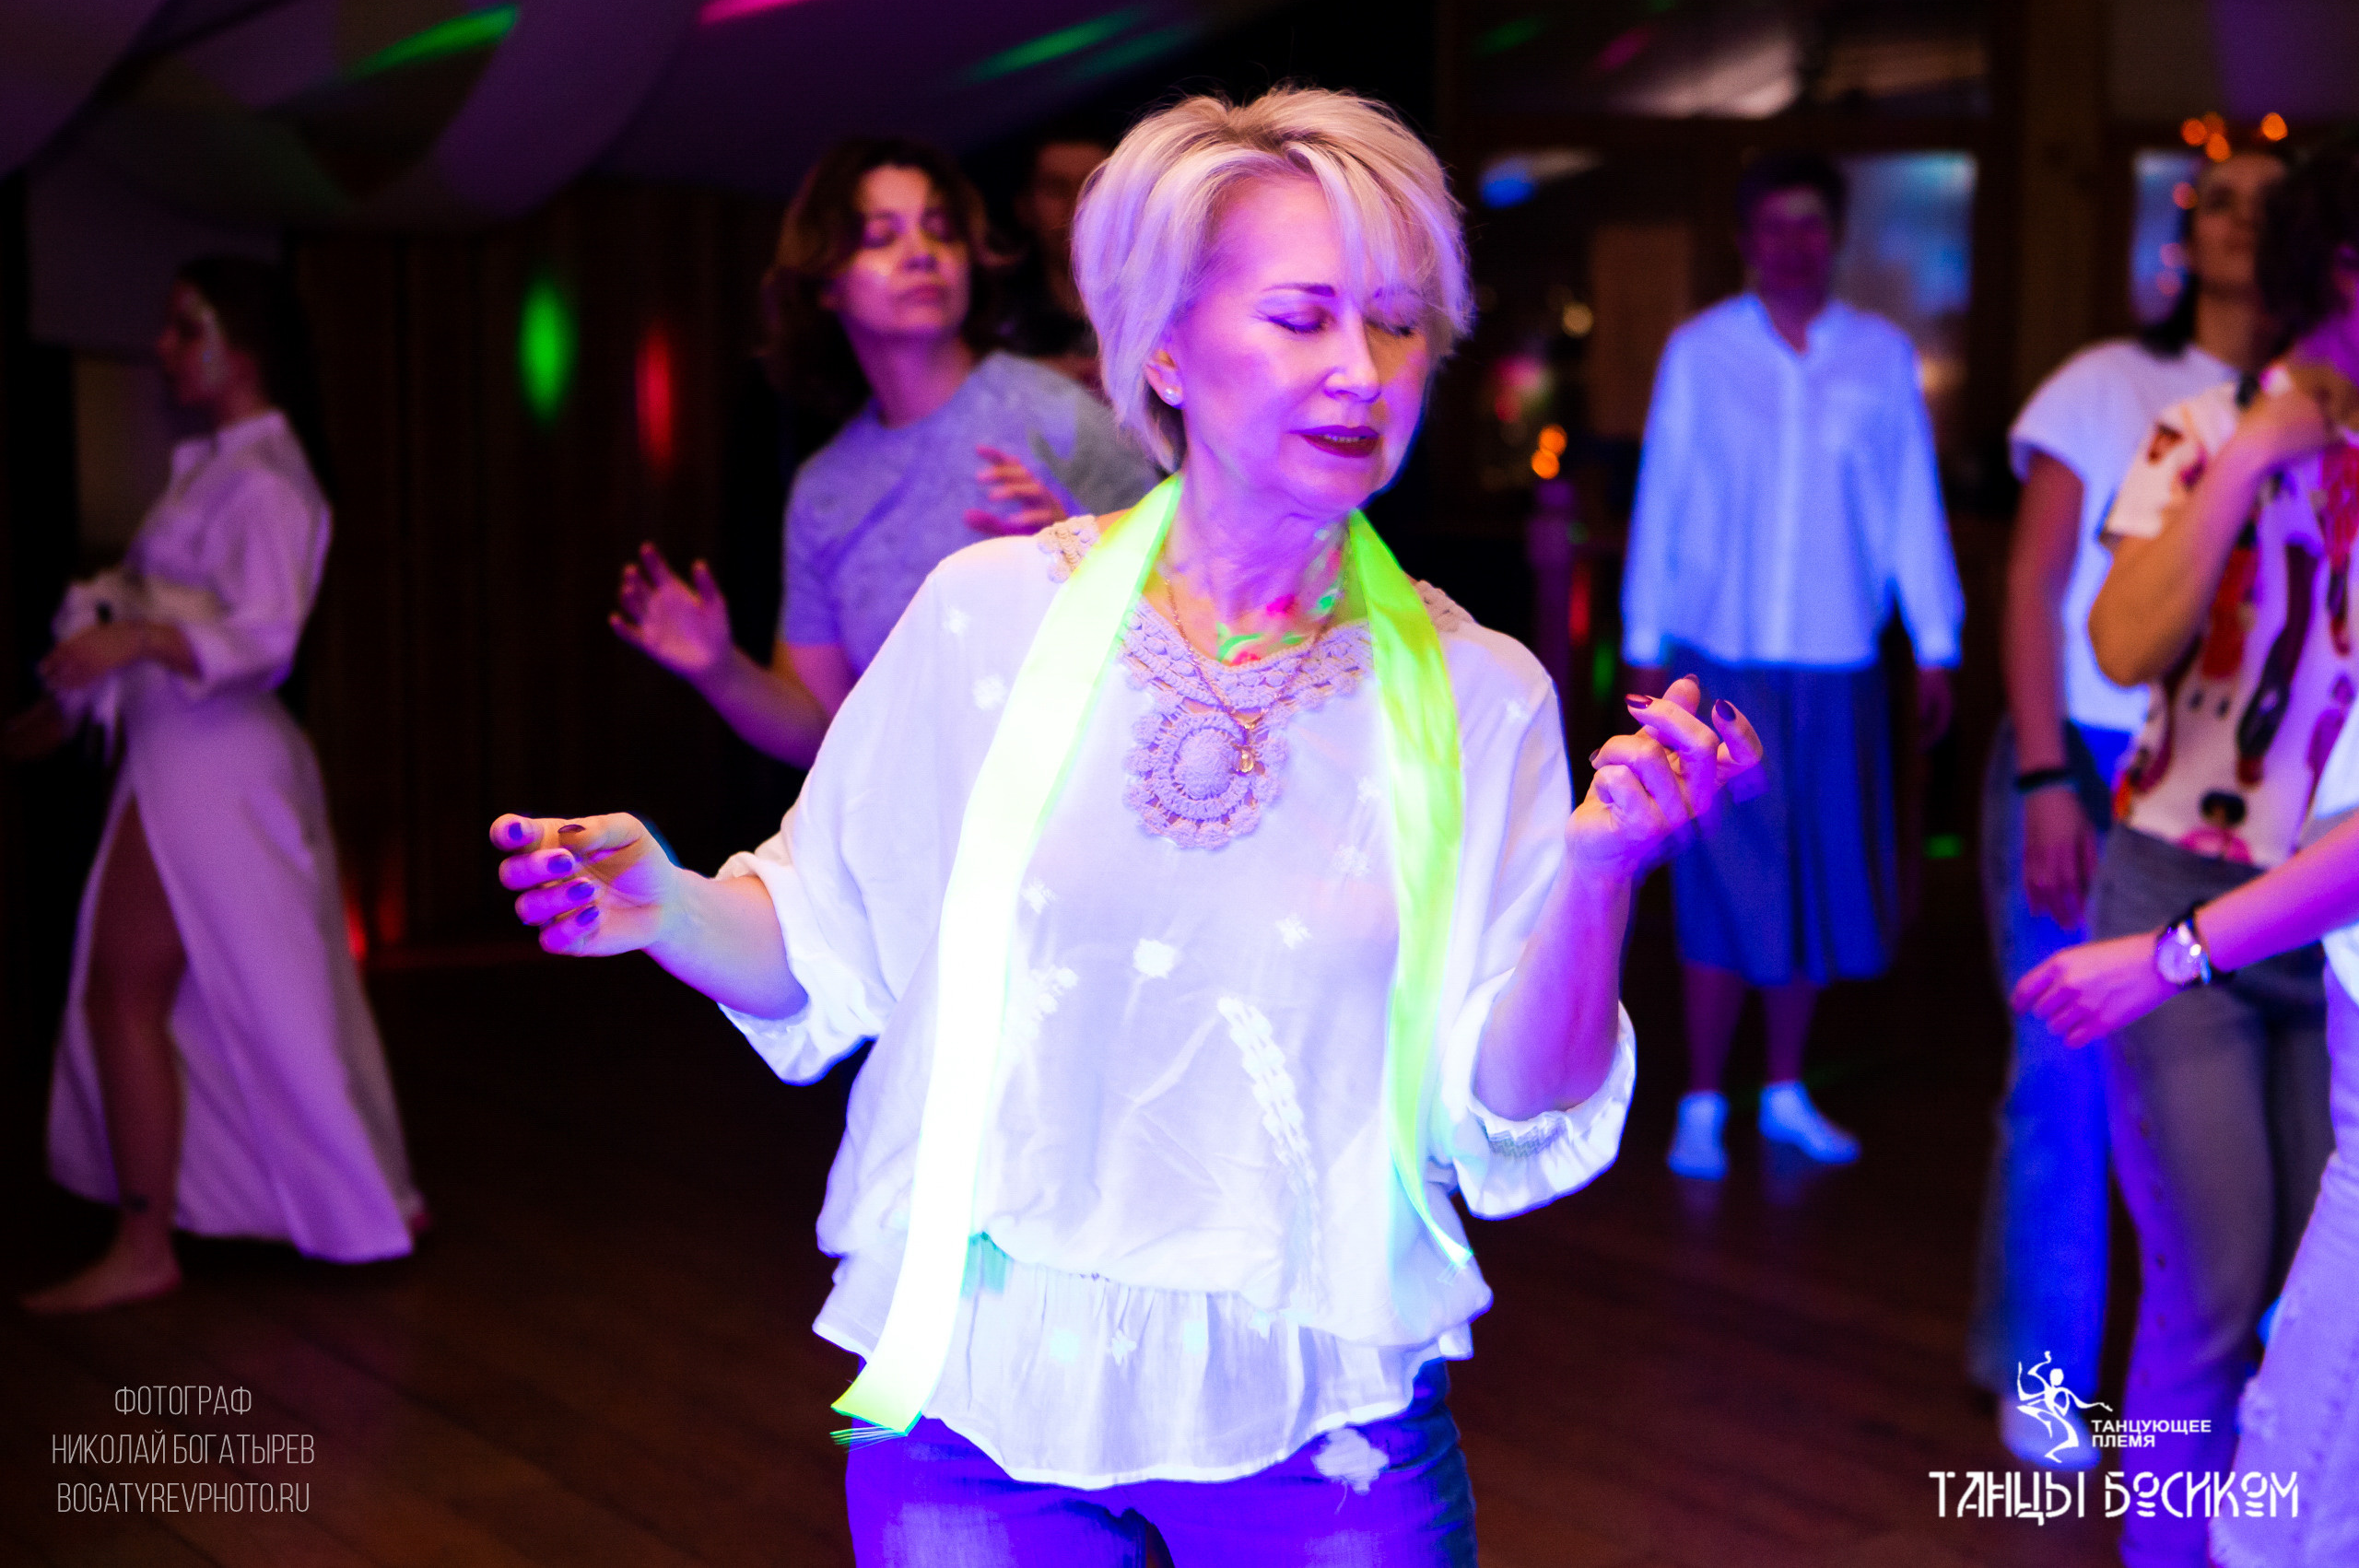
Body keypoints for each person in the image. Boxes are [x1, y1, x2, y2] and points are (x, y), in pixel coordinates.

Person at [494, 88, 1761, 1564]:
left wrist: (1602, 873)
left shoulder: (1483, 695)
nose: (1360, 370)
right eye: (1302, 315)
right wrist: (666, 902)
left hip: (1319, 1417)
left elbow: (1515, 1104)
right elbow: (818, 942)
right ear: (1163, 345)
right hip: (979, 1397)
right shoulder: (987, 621)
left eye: (1398, 322)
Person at [14, 257, 423, 1313]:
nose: (163, 348)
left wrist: (136, 637)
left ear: (240, 347)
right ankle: (285, 1202)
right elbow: (170, 620)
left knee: (125, 992)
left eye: (183, 326)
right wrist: (82, 688)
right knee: (233, 995)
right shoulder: (219, 470)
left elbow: (265, 636)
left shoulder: (269, 479)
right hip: (185, 758)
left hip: (214, 763)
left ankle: (144, 1247)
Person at [1968, 147, 2285, 1469]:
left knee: (2235, 1105)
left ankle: (2246, 1402)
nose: (2241, 226)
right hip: (2090, 755)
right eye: (2222, 204)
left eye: (2269, 208)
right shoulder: (2105, 383)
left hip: (2255, 792)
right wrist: (2047, 776)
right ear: (2184, 233)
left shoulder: (2318, 403)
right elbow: (2036, 589)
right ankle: (2040, 1375)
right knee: (2064, 1072)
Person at [2075, 138, 2359, 1568]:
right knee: (2211, 1282)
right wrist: (2254, 453)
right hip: (2182, 885)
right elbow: (2122, 642)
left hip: (2339, 923)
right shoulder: (2203, 429)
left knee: (2322, 1296)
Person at [1622, 150, 1966, 1179]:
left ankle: (1782, 1089)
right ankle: (1699, 1101)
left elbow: (1909, 502)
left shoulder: (1880, 356)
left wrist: (1936, 641)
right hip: (1717, 657)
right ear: (1745, 240)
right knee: (1720, 879)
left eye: (1809, 224)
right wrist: (1643, 640)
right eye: (1772, 225)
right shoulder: (1699, 352)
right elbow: (1663, 492)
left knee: (1811, 874)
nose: (1791, 245)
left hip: (1834, 659)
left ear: (1835, 236)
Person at [611, 136, 1158, 766]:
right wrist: (720, 670)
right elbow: (826, 732)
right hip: (918, 822)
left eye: (940, 230)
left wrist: (1084, 560)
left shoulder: (1056, 416)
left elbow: (1199, 613)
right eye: (881, 236)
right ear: (826, 282)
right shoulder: (824, 490)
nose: (921, 253)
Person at [1000, 123, 1116, 391]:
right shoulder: (999, 336)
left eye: (1092, 185)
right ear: (1024, 208)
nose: (1076, 207)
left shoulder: (1158, 305)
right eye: (1056, 189)